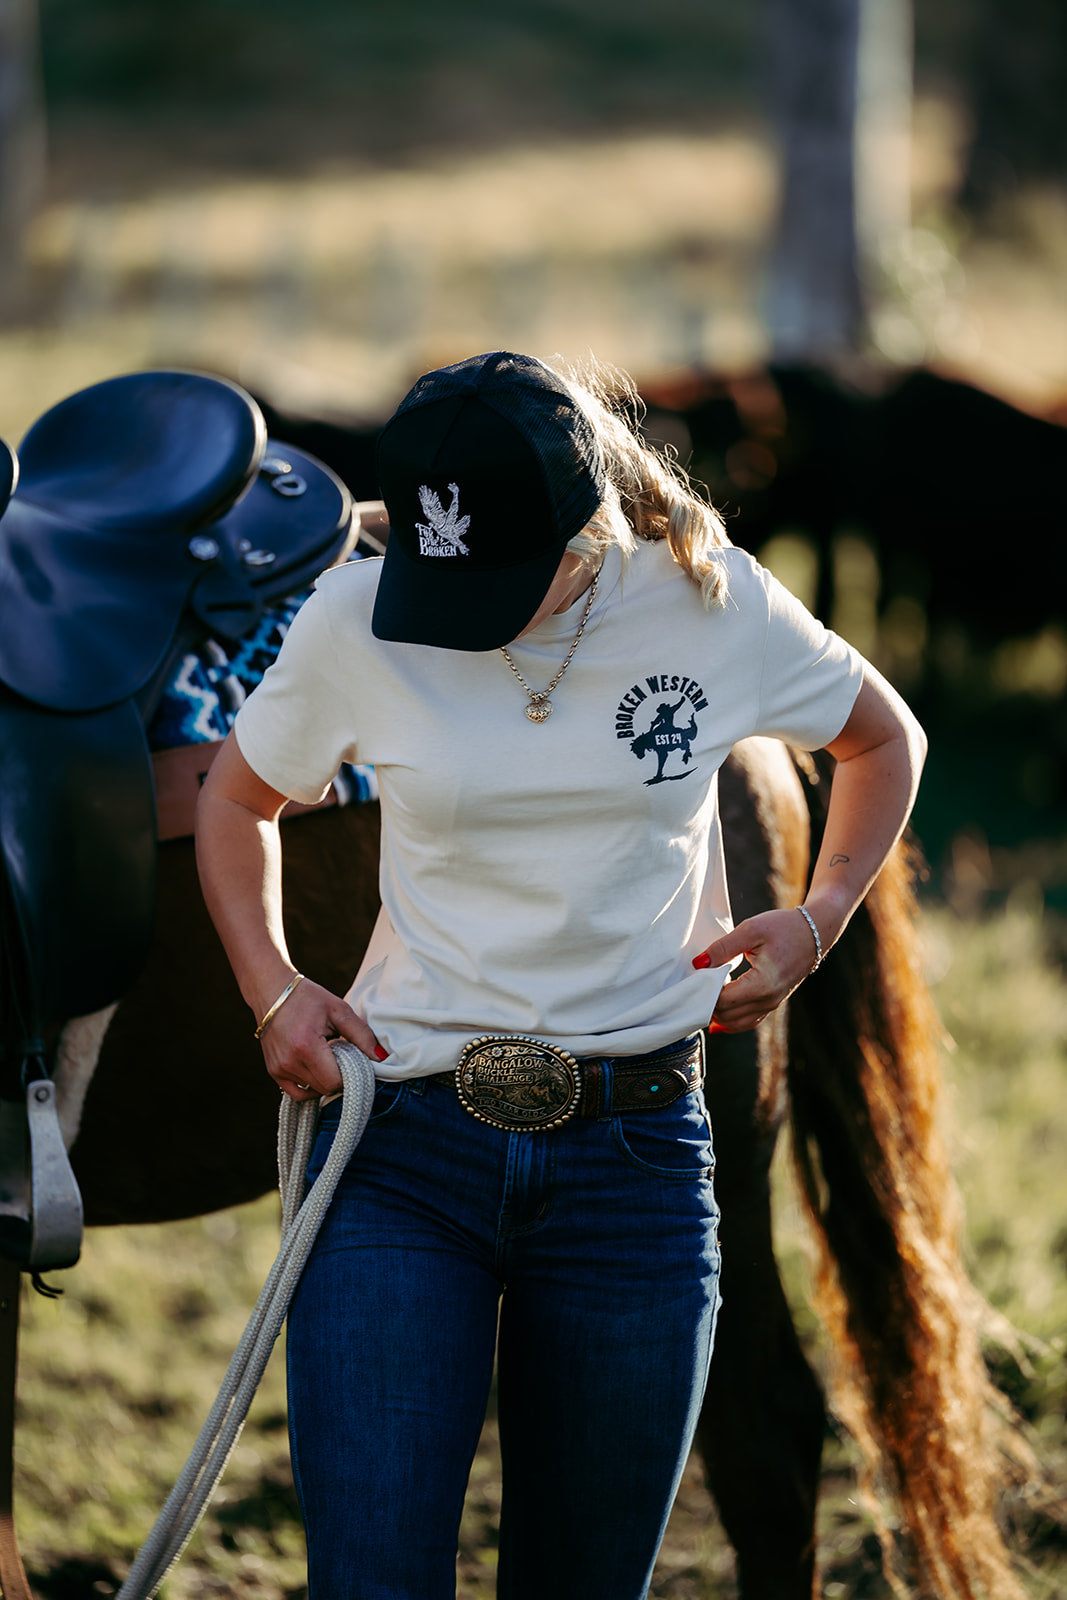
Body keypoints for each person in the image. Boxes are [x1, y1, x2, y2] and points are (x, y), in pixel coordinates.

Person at [195, 350, 926, 1600]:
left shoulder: (709, 605)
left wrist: (815, 918)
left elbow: (880, 735)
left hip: (630, 1169)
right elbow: (236, 797)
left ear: (585, 524)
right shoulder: (356, 618)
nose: (459, 606)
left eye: (496, 574)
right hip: (398, 1151)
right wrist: (273, 986)